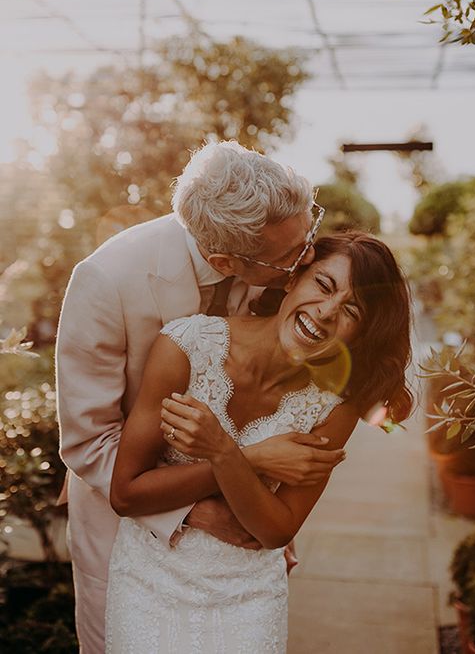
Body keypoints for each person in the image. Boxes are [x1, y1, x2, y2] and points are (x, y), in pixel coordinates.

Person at [55, 141, 346, 653]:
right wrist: (200, 509)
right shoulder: (106, 280)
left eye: (310, 234)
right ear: (224, 259)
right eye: (289, 257)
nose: (307, 259)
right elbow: (88, 440)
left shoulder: (279, 257)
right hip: (128, 523)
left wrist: (261, 507)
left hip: (237, 542)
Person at [103, 231, 413, 652]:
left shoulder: (335, 407)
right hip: (149, 579)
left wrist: (222, 450)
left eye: (351, 310)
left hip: (249, 598)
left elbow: (275, 531)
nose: (325, 312)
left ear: (361, 334)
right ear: (292, 279)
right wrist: (250, 458)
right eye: (323, 285)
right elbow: (126, 493)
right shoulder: (187, 346)